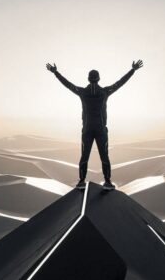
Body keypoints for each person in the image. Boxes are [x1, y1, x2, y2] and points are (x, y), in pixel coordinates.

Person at [46, 59, 144, 190]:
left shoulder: (82, 92)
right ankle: (107, 182)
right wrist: (132, 70)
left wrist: (55, 72)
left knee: (84, 156)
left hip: (87, 129)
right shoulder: (105, 92)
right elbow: (120, 83)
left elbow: (68, 85)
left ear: (88, 79)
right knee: (104, 156)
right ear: (98, 79)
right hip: (101, 130)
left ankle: (81, 181)